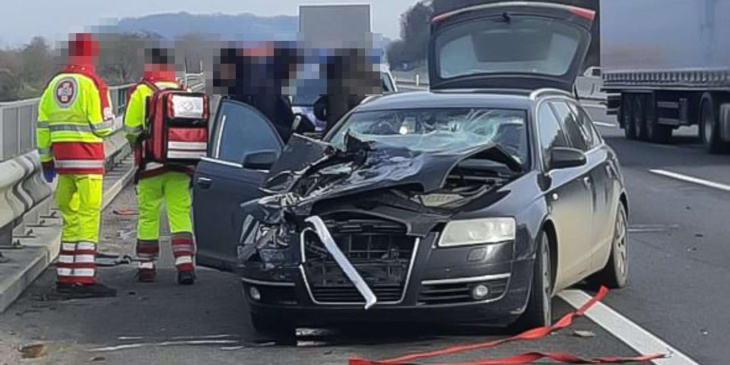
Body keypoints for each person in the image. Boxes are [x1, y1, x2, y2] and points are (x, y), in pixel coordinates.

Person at [36, 33, 117, 298]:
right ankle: (84, 278)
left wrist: (46, 159)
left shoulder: (54, 84)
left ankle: (65, 276)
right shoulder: (93, 84)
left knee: (70, 217)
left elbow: (43, 126)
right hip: (88, 160)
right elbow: (103, 127)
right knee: (88, 216)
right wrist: (114, 121)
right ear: (91, 55)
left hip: (61, 162)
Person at [123, 46, 196, 285]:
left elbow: (131, 129)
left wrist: (140, 145)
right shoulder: (182, 90)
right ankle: (185, 265)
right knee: (180, 214)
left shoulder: (142, 91)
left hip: (150, 166)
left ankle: (146, 266)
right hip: (180, 165)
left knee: (148, 214)